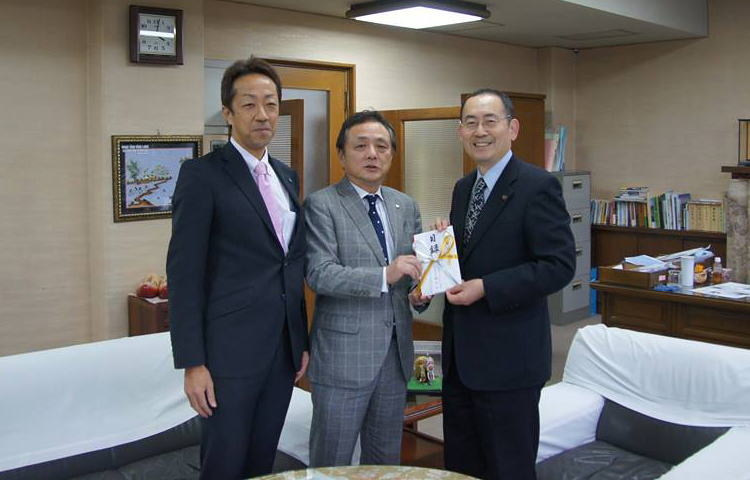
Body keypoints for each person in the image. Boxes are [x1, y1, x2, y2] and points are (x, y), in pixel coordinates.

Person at [166, 57, 309, 479]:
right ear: (228, 113)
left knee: (262, 462)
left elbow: (288, 263)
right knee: (224, 464)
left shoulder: (286, 176)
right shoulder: (202, 176)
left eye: (270, 103)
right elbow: (184, 274)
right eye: (249, 104)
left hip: (281, 351)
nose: (262, 114)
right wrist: (193, 363)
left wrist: (300, 340)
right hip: (228, 355)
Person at [440, 89, 575, 479]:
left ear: (512, 129)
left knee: (507, 468)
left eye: (490, 121)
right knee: (462, 467)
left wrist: (487, 287)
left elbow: (558, 265)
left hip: (509, 362)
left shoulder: (537, 185)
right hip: (460, 360)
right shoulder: (464, 187)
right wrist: (440, 256)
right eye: (470, 123)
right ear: (460, 132)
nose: (479, 131)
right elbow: (472, 256)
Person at [304, 110, 428, 466]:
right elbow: (320, 274)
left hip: (395, 357)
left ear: (391, 154)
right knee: (332, 463)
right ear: (342, 155)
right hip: (343, 358)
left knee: (384, 461)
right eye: (361, 146)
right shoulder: (322, 204)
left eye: (381, 146)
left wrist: (420, 291)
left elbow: (412, 275)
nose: (372, 154)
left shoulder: (405, 205)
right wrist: (383, 275)